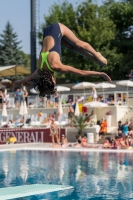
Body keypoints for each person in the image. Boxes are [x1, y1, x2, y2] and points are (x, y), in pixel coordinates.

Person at [13, 23, 111, 95]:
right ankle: (94, 58)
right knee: (72, 47)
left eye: (54, 82)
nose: (56, 81)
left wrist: (100, 74)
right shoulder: (40, 69)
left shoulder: (56, 67)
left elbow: (81, 72)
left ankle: (96, 55)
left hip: (57, 28)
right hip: (47, 32)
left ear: (52, 79)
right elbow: (28, 78)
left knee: (78, 44)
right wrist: (18, 83)